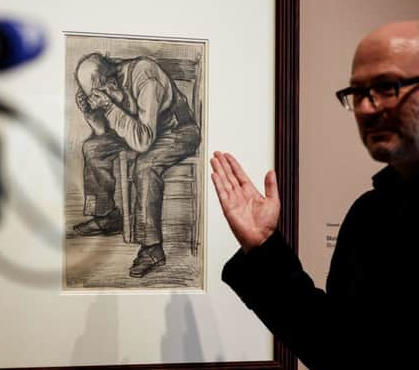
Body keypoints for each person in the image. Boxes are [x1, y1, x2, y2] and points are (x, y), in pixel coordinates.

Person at [210, 20, 419, 369]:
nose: (367, 108)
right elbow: (338, 349)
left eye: (387, 87)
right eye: (357, 93)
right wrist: (262, 248)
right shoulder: (370, 214)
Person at [72, 52, 201, 278]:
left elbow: (142, 142)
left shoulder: (145, 76)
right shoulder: (109, 86)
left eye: (95, 94)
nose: (95, 98)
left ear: (111, 82)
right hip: (144, 133)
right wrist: (90, 113)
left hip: (178, 131)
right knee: (92, 148)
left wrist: (111, 108)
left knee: (145, 165)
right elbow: (103, 133)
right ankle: (107, 216)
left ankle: (152, 248)